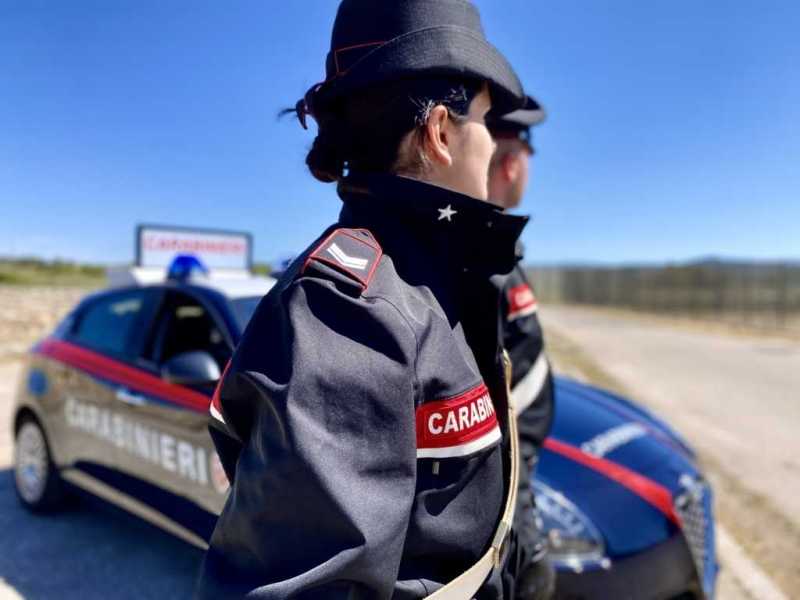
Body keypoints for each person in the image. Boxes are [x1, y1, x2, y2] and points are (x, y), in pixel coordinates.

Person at [196, 1, 543, 598]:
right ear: (440, 132)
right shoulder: (348, 313)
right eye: (487, 121)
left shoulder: (438, 281)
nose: (495, 146)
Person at [487, 97, 556, 599]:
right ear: (513, 164)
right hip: (511, 494)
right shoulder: (482, 264)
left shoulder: (498, 251)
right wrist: (526, 537)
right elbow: (494, 421)